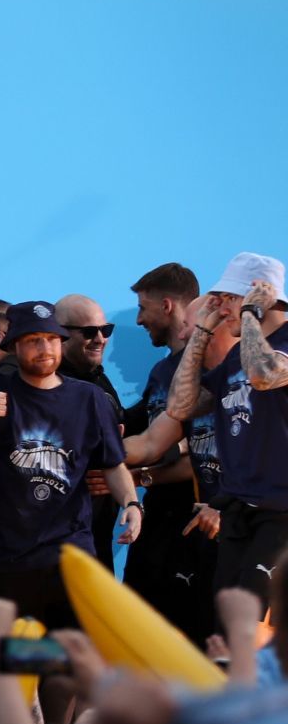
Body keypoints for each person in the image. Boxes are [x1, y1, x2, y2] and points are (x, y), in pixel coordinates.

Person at [0, 300, 140, 626]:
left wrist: (132, 503)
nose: (45, 348)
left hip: (70, 556)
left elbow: (113, 464)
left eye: (52, 339)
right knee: (13, 663)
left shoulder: (90, 398)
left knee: (65, 664)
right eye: (33, 340)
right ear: (14, 346)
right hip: (5, 559)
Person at [166, 252, 288, 605]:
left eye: (229, 298)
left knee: (252, 621)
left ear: (261, 298)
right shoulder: (238, 355)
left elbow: (263, 376)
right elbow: (181, 406)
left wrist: (250, 314)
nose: (221, 307)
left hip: (280, 512)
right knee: (226, 615)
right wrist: (202, 331)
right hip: (239, 507)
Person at [122, 263, 215, 641]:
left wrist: (145, 475)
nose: (140, 319)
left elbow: (203, 454)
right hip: (157, 522)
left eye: (143, 308)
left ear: (167, 306)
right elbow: (147, 439)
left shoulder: (217, 372)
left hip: (201, 524)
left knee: (194, 639)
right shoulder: (162, 372)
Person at [54, 293, 124, 564]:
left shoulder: (97, 377)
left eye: (105, 330)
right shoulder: (49, 386)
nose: (100, 338)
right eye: (89, 331)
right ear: (60, 333)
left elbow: (121, 428)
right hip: (62, 540)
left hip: (99, 534)